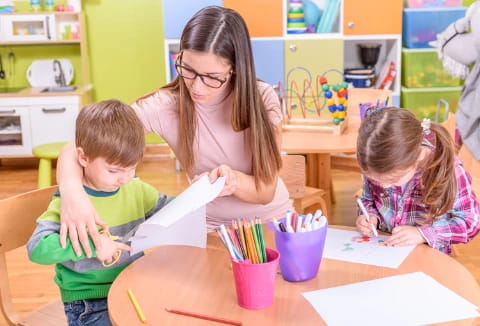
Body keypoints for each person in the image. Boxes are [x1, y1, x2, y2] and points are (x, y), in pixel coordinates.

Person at [56, 6, 292, 257]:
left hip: (270, 224)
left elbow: (266, 192)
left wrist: (233, 181)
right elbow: (81, 145)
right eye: (188, 69)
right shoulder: (163, 105)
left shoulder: (262, 99)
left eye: (211, 76)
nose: (196, 87)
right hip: (208, 230)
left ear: (234, 68)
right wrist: (71, 192)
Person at [27, 99, 170, 326]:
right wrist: (93, 245)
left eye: (132, 168)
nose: (124, 178)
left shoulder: (136, 188)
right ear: (83, 157)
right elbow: (37, 249)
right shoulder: (70, 204)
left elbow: (169, 209)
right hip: (89, 301)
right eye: (114, 170)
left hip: (133, 284)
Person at [355, 107, 480, 255]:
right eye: (375, 179)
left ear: (418, 156)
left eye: (393, 179)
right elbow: (367, 199)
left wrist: (423, 234)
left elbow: (470, 222)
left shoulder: (448, 170)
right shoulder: (377, 164)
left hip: (427, 256)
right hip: (385, 250)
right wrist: (368, 216)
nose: (384, 185)